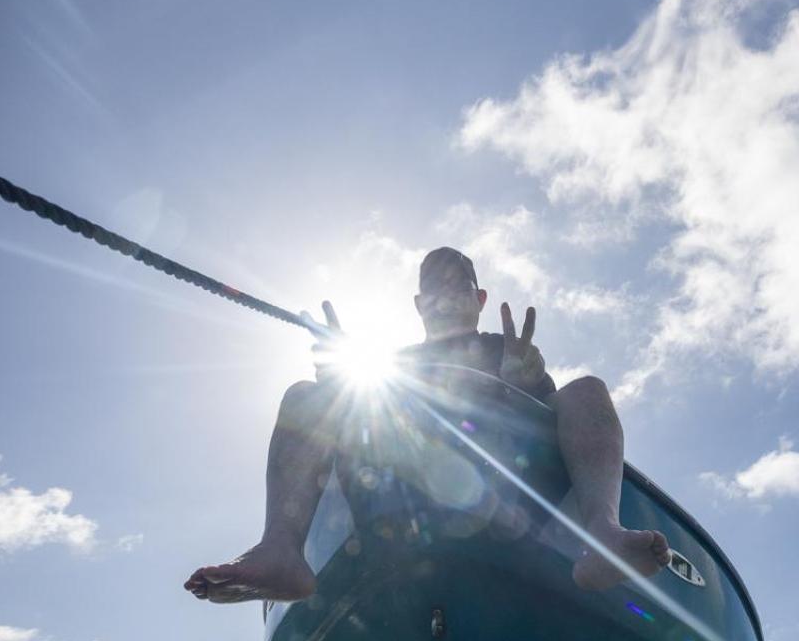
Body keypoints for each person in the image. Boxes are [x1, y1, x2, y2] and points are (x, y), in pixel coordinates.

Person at [184, 247, 669, 603]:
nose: (444, 298)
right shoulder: (386, 368)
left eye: (457, 287)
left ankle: (602, 534)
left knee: (586, 388)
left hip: (513, 494)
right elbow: (359, 421)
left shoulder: (507, 348)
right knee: (305, 396)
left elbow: (555, 426)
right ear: (418, 304)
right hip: (402, 491)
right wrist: (336, 378)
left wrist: (525, 383)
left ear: (479, 297)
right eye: (433, 290)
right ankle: (280, 550)